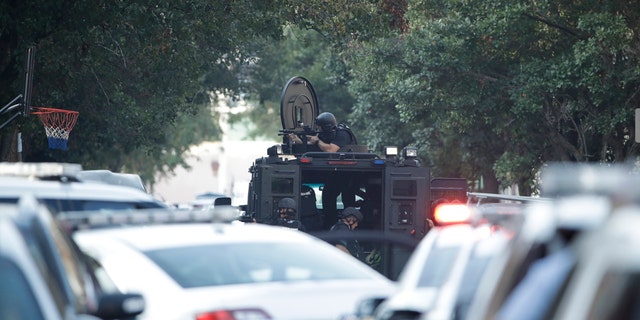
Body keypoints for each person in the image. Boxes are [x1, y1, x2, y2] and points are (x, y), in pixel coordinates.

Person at [287, 112, 357, 152]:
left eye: (319, 127)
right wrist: (299, 141)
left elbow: (331, 150)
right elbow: (312, 145)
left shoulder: (342, 134)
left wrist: (318, 141)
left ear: (326, 127)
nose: (318, 129)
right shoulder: (326, 134)